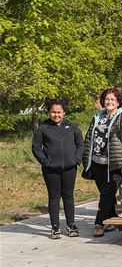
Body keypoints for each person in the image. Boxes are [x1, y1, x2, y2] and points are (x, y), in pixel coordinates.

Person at [83, 88, 122, 237]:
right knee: (105, 194)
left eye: (112, 100)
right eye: (107, 99)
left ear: (118, 103)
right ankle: (112, 219)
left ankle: (99, 223)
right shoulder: (97, 116)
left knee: (107, 194)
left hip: (114, 163)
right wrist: (85, 158)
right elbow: (89, 137)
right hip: (96, 162)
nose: (109, 102)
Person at [32, 99, 84, 239]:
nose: (56, 115)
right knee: (54, 197)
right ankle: (55, 227)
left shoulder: (72, 127)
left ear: (64, 112)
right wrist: (45, 161)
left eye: (59, 112)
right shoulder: (43, 129)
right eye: (53, 112)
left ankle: (71, 225)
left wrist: (76, 159)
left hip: (69, 168)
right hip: (50, 169)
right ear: (49, 113)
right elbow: (36, 147)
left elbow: (80, 144)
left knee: (68, 197)